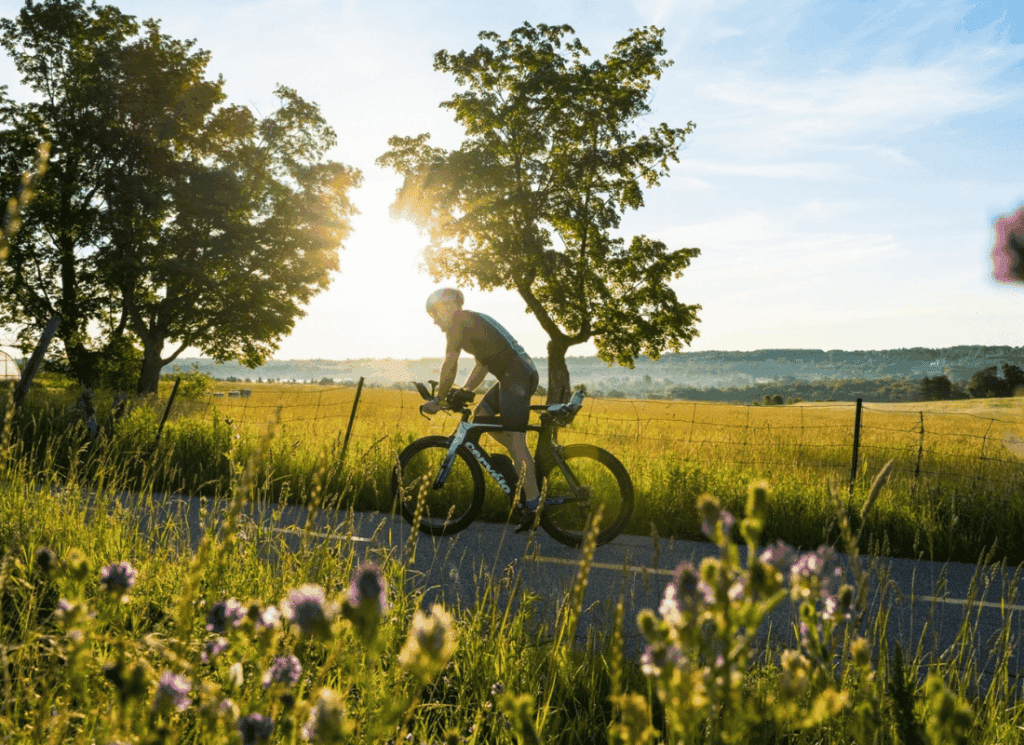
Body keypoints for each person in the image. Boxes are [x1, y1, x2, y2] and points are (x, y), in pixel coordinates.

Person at [421, 287, 541, 526]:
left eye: (434, 314)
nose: (434, 321)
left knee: (517, 442)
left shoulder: (458, 322)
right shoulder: (469, 321)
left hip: (515, 376)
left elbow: (450, 362)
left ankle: (533, 506)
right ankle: (523, 468)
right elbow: (482, 366)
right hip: (514, 374)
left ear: (445, 308)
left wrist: (439, 399)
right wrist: (466, 391)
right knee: (480, 416)